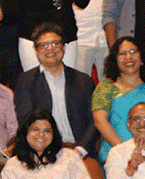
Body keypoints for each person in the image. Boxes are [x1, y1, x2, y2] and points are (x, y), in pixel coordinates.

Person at [12, 23, 99, 156]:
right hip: (43, 149)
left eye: (55, 44)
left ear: (64, 47)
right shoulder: (26, 81)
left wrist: (80, 150)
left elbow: (95, 120)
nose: (50, 49)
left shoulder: (83, 80)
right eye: (44, 45)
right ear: (36, 50)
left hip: (80, 150)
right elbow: (26, 121)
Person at [91, 37, 145, 162]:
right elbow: (100, 121)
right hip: (118, 157)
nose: (128, 57)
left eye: (133, 52)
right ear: (115, 60)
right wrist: (125, 152)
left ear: (142, 58)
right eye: (122, 53)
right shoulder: (106, 87)